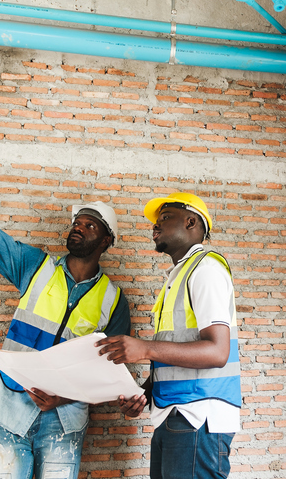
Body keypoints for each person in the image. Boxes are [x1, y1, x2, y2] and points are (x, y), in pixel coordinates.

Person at [0, 133, 131, 479]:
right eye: (77, 223)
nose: (78, 228)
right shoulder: (35, 267)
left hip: (65, 421)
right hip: (11, 410)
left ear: (106, 241)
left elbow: (110, 374)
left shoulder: (114, 302)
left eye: (89, 225)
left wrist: (61, 397)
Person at [97, 192, 241, 479]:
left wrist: (145, 349)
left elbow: (217, 352)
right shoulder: (178, 277)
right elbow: (176, 352)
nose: (155, 226)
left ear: (191, 222)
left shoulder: (206, 269)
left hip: (198, 417)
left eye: (165, 217)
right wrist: (144, 393)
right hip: (175, 415)